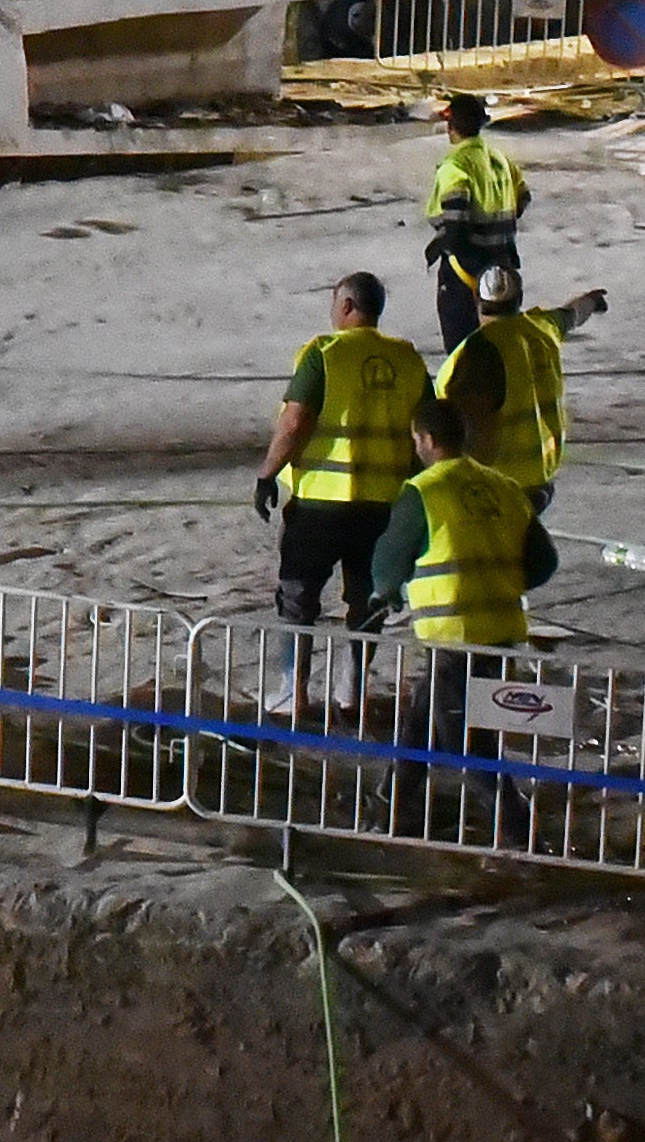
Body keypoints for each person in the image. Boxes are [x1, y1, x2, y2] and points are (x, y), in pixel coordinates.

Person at [371, 396, 563, 837]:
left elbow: (387, 565)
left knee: (465, 744)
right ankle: (391, 806)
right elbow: (543, 563)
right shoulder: (504, 488)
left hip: (453, 638)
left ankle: (519, 829)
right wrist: (497, 583)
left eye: (417, 439)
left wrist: (387, 593)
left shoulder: (423, 491)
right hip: (499, 634)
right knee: (422, 722)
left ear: (427, 439)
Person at [249, 272, 427, 711]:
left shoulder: (323, 355)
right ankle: (352, 692)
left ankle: (293, 693)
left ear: (346, 307)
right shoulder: (407, 360)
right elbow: (425, 431)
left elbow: (295, 422)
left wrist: (268, 472)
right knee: (367, 603)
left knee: (298, 598)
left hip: (321, 506)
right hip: (383, 505)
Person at [433, 265, 606, 510]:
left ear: (476, 299)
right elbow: (571, 315)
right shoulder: (542, 329)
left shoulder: (471, 355)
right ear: (520, 298)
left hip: (496, 489)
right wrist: (592, 300)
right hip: (541, 481)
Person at [422, 93, 525, 351]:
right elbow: (523, 197)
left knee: (463, 355)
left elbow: (456, 226)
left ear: (450, 127)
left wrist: (448, 249)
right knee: (501, 348)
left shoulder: (455, 165)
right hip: (502, 267)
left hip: (465, 275)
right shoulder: (499, 160)